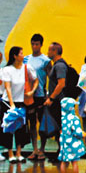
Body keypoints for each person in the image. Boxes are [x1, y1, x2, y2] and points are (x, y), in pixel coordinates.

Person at [0, 45, 37, 163]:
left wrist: (31, 92)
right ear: (15, 56)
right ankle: (10, 153)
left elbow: (35, 80)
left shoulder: (27, 67)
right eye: (21, 53)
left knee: (20, 127)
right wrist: (11, 104)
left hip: (22, 101)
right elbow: (8, 87)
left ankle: (19, 153)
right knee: (9, 127)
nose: (23, 55)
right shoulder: (7, 70)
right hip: (8, 102)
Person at [24, 33, 50, 161]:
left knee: (42, 122)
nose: (34, 46)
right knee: (31, 122)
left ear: (41, 45)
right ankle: (34, 148)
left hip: (40, 94)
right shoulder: (26, 59)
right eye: (33, 44)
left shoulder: (45, 60)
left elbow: (50, 77)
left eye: (37, 44)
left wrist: (48, 95)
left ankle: (42, 148)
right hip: (29, 95)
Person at [42, 42, 68, 163]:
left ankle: (63, 151)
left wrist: (51, 98)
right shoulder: (55, 65)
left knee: (60, 126)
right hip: (56, 100)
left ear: (55, 51)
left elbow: (61, 84)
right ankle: (60, 151)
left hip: (57, 101)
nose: (47, 53)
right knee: (58, 127)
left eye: (49, 50)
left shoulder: (60, 66)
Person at [57, 97, 86, 173]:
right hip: (72, 142)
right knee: (74, 161)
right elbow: (77, 132)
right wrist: (83, 134)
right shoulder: (74, 118)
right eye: (74, 106)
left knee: (63, 161)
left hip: (64, 141)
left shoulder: (62, 118)